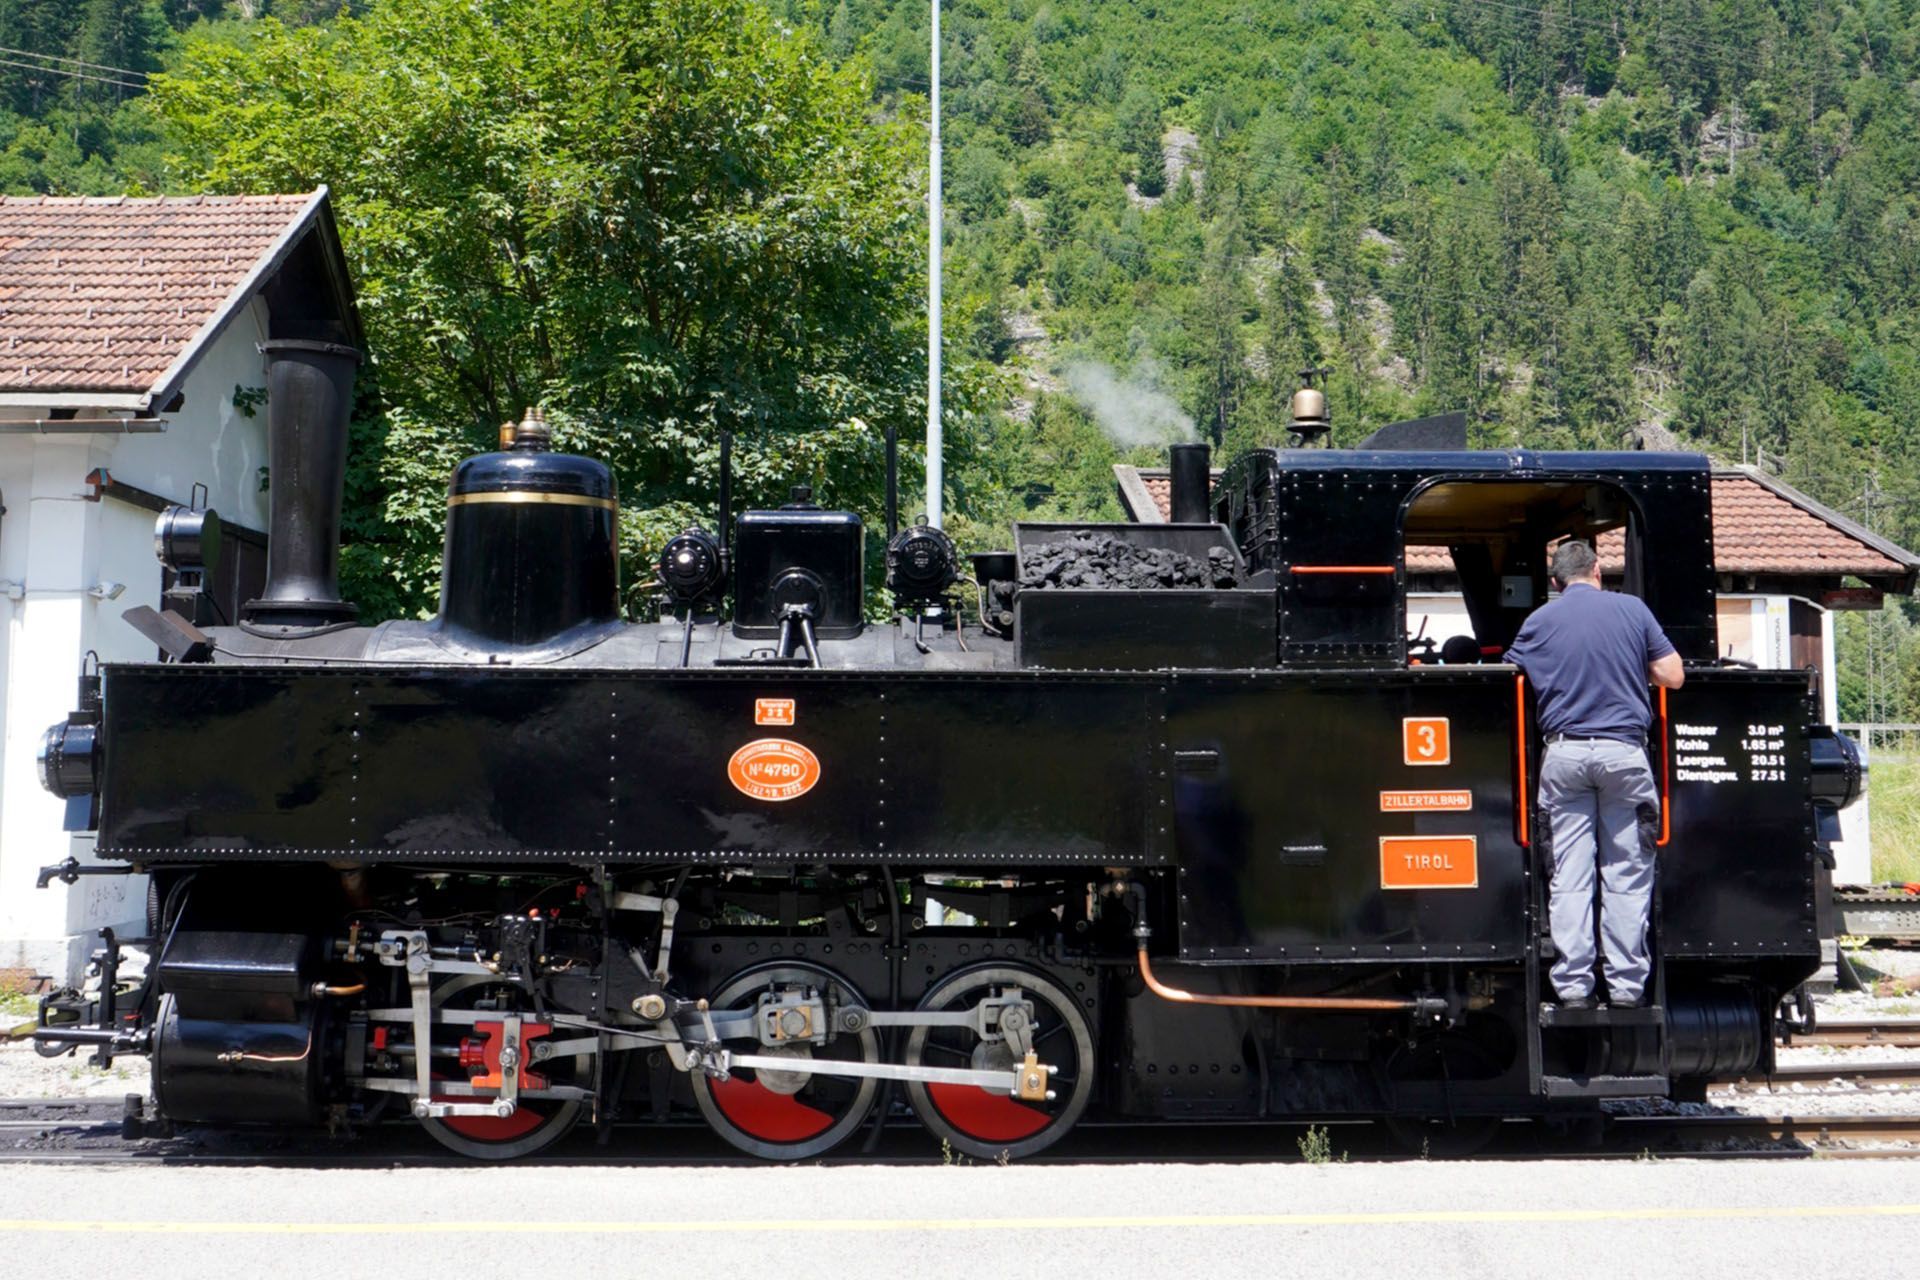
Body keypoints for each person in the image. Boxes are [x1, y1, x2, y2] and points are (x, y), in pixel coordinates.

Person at [1504, 540, 1685, 1009]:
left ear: (1555, 582)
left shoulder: (1539, 621)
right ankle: (1626, 988)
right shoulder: (1632, 610)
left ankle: (1573, 987)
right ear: (1598, 571)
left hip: (1563, 757)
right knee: (1626, 872)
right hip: (1624, 754)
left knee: (1569, 875)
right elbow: (1673, 676)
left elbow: (1506, 680)